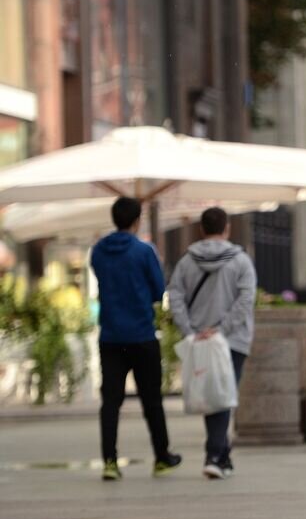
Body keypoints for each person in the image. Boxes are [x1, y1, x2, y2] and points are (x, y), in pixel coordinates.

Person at [90, 197, 181, 481]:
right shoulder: (144, 251)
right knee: (152, 400)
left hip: (111, 337)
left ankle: (110, 461)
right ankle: (162, 457)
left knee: (110, 401)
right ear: (136, 220)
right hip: (141, 335)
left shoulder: (98, 251)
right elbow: (157, 290)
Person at [166, 207, 258, 479]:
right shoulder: (240, 261)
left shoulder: (186, 261)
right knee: (222, 395)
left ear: (202, 229)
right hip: (234, 339)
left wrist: (190, 328)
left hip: (200, 338)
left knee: (213, 394)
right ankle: (215, 456)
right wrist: (221, 328)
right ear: (226, 228)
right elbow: (246, 299)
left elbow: (175, 295)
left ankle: (222, 455)